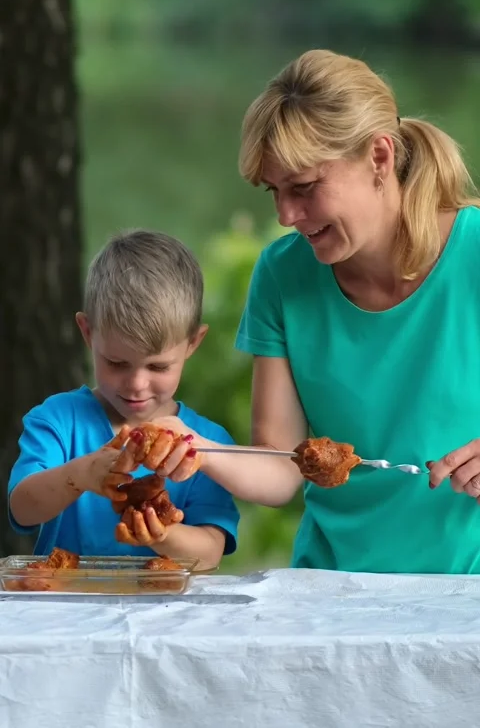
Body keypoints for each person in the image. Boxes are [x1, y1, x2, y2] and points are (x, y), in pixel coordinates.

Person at [149, 49, 480, 575]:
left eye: (303, 189)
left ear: (379, 157)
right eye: (274, 192)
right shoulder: (283, 275)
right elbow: (281, 467)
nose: (285, 216)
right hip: (332, 592)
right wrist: (195, 447)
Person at [8, 230, 239, 566]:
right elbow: (22, 508)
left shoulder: (204, 444)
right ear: (87, 333)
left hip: (165, 613)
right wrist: (80, 474)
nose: (136, 384)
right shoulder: (58, 420)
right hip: (65, 608)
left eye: (158, 366)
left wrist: (162, 534)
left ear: (193, 343)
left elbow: (211, 553)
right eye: (116, 363)